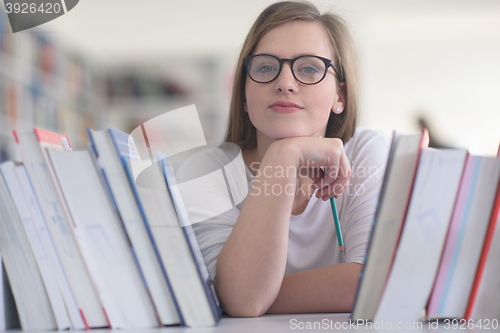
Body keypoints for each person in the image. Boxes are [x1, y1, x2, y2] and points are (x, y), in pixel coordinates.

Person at [188, 0, 390, 317]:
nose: (285, 82)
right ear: (243, 93)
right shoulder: (206, 171)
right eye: (266, 67)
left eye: (309, 68)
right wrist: (284, 156)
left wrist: (242, 293)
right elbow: (242, 301)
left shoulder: (366, 151)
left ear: (340, 96)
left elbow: (373, 283)